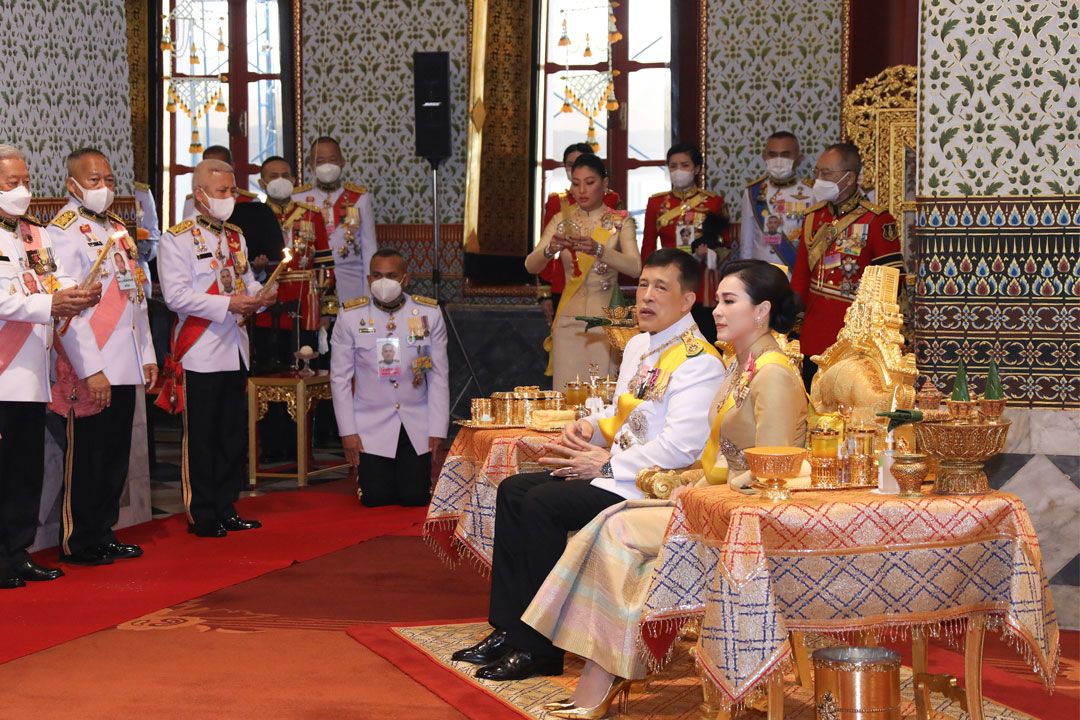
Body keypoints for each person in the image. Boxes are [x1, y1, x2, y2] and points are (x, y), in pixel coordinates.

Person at [522, 260, 808, 717]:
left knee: (615, 530)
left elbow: (771, 473)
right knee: (610, 524)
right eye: (720, 300)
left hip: (743, 521)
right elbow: (713, 460)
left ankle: (606, 673)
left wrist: (693, 491)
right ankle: (604, 669)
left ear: (762, 311)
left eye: (729, 301)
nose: (717, 310)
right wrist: (684, 483)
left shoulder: (771, 372)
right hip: (712, 502)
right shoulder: (742, 366)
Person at [451, 249, 725, 681]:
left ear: (688, 301)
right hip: (613, 471)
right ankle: (509, 627)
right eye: (644, 286)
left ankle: (539, 649)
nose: (646, 297)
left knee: (542, 503)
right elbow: (622, 415)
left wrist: (606, 464)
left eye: (660, 288)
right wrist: (587, 430)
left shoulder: (699, 362)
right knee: (513, 490)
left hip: (648, 487)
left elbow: (681, 448)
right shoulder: (639, 344)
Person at [48, 147, 158, 566]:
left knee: (114, 455)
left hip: (124, 359)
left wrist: (146, 353)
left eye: (109, 180)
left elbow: (136, 299)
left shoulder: (118, 229)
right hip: (89, 364)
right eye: (95, 180)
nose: (104, 187)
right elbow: (70, 312)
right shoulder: (62, 230)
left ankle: (103, 531)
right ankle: (79, 539)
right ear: (72, 184)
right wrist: (91, 369)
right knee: (88, 457)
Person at [0, 144, 101, 588]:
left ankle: (16, 554)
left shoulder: (33, 233)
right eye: (11, 182)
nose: (22, 190)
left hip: (31, 372)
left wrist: (75, 293)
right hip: (3, 370)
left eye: (25, 180)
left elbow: (52, 278)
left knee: (26, 472)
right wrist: (50, 302)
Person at [158, 158, 277, 537]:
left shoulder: (235, 236)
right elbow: (176, 296)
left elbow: (243, 281)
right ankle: (202, 512)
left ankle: (227, 505)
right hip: (199, 350)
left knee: (230, 434)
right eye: (222, 192)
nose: (228, 198)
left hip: (234, 347)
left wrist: (262, 295)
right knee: (202, 437)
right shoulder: (176, 238)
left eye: (232, 191)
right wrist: (229, 305)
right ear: (200, 195)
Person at [330, 248, 448, 507]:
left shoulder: (428, 313)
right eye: (377, 275)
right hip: (369, 425)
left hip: (415, 422)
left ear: (405, 279)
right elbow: (340, 378)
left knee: (414, 497)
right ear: (369, 280)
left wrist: (437, 430)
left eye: (391, 275)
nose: (383, 282)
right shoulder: (350, 317)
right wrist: (348, 432)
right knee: (376, 497)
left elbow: (439, 376)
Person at [791, 142, 904, 388]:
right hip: (812, 334)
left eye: (826, 173)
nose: (819, 179)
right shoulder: (814, 217)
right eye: (817, 172)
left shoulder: (876, 220)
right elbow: (800, 276)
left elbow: (891, 284)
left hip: (853, 338)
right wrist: (792, 326)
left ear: (849, 177)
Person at [524, 154, 641, 390]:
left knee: (600, 401)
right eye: (576, 183)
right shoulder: (561, 220)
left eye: (590, 182)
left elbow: (635, 267)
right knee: (566, 399)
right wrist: (550, 249)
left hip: (604, 323)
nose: (582, 190)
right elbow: (530, 265)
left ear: (605, 183)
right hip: (568, 322)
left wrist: (599, 249)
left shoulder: (619, 221)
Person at [253, 155, 332, 370]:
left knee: (306, 365)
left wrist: (325, 311)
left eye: (285, 175)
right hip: (266, 306)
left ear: (294, 180)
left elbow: (325, 266)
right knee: (268, 368)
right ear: (262, 183)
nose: (280, 179)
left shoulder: (311, 216)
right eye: (273, 176)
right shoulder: (254, 217)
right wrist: (255, 267)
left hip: (305, 303)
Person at [537, 143, 622, 325]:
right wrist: (544, 291)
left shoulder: (611, 200)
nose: (575, 168)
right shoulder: (556, 202)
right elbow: (545, 248)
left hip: (601, 281)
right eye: (570, 164)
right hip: (565, 283)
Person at [292, 136, 376, 300]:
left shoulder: (360, 198)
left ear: (342, 161)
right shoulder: (298, 199)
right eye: (321, 161)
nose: (327, 165)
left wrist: (369, 293)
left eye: (332, 159)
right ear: (311, 165)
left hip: (351, 283)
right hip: (311, 282)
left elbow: (369, 249)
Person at [739, 131, 814, 270]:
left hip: (795, 272)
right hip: (761, 274)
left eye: (786, 155)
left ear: (798, 158)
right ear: (764, 156)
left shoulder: (812, 192)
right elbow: (746, 242)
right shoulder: (752, 192)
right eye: (772, 154)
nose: (778, 161)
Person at [640, 142, 726, 261]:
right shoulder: (655, 202)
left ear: (696, 169)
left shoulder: (714, 201)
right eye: (673, 166)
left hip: (702, 273)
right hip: (667, 271)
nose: (678, 170)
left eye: (685, 165)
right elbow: (648, 247)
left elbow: (725, 247)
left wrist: (709, 255)